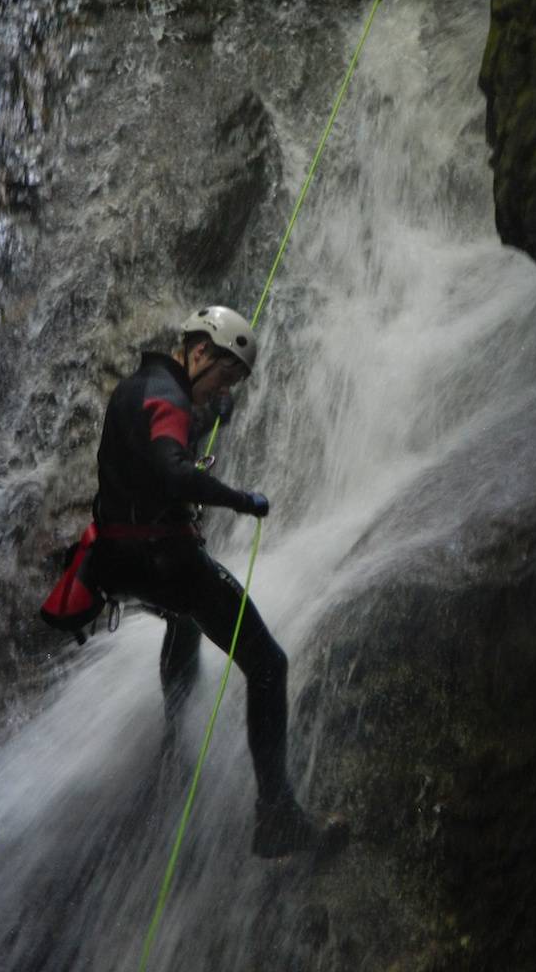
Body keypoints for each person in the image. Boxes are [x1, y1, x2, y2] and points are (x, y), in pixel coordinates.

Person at [89, 305, 349, 859]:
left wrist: (210, 416)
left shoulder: (139, 387)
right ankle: (276, 815)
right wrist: (241, 500)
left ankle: (175, 741)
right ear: (200, 351)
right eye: (224, 376)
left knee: (182, 622)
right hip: (166, 560)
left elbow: (154, 446)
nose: (222, 388)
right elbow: (172, 469)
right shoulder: (170, 397)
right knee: (268, 664)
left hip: (119, 562)